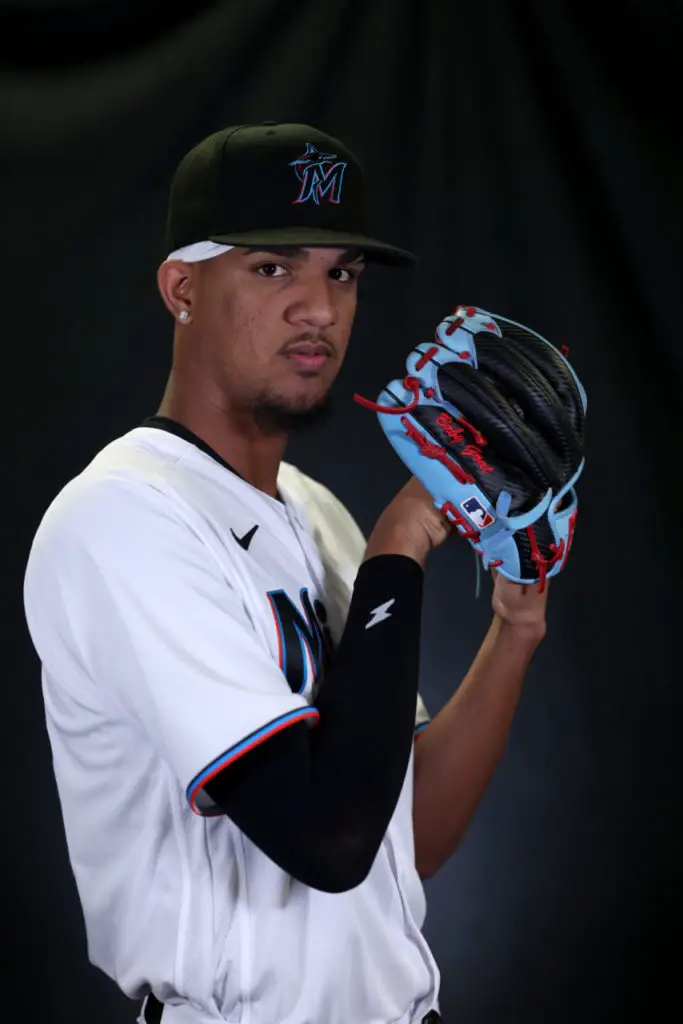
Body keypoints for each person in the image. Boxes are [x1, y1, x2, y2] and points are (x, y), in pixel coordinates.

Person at [23, 122, 548, 1024]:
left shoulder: (312, 512)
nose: (319, 307)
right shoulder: (122, 517)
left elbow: (401, 836)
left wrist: (515, 629)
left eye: (340, 273)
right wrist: (402, 540)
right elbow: (328, 840)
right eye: (274, 267)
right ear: (182, 288)